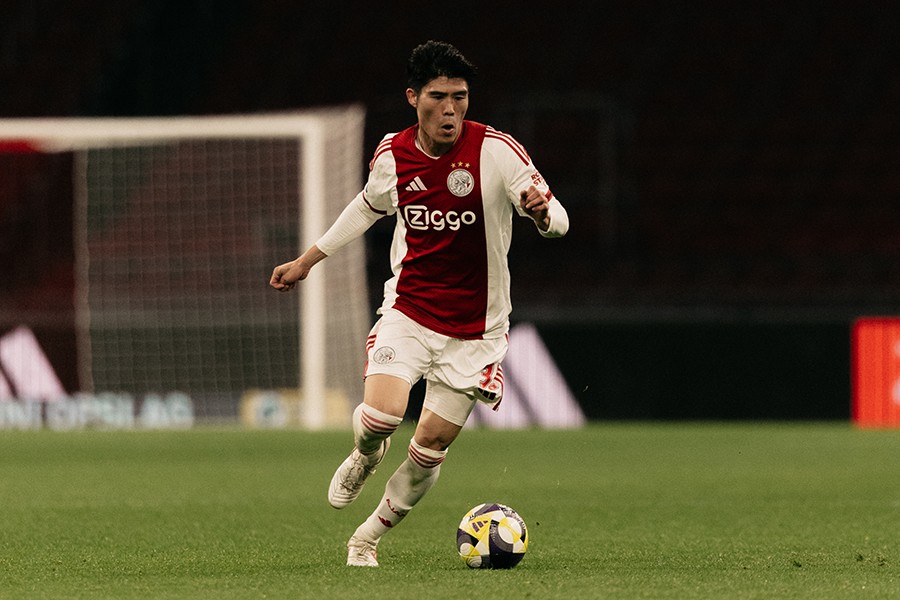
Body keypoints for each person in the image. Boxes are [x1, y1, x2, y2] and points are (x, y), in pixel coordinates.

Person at [269, 40, 569, 567]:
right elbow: (366, 208)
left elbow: (559, 222)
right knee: (380, 417)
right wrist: (307, 260)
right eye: (438, 97)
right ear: (413, 97)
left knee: (430, 448)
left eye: (460, 97)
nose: (451, 109)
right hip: (409, 311)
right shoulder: (393, 155)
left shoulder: (497, 152)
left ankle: (365, 540)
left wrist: (543, 215)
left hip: (476, 331)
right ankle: (366, 455)